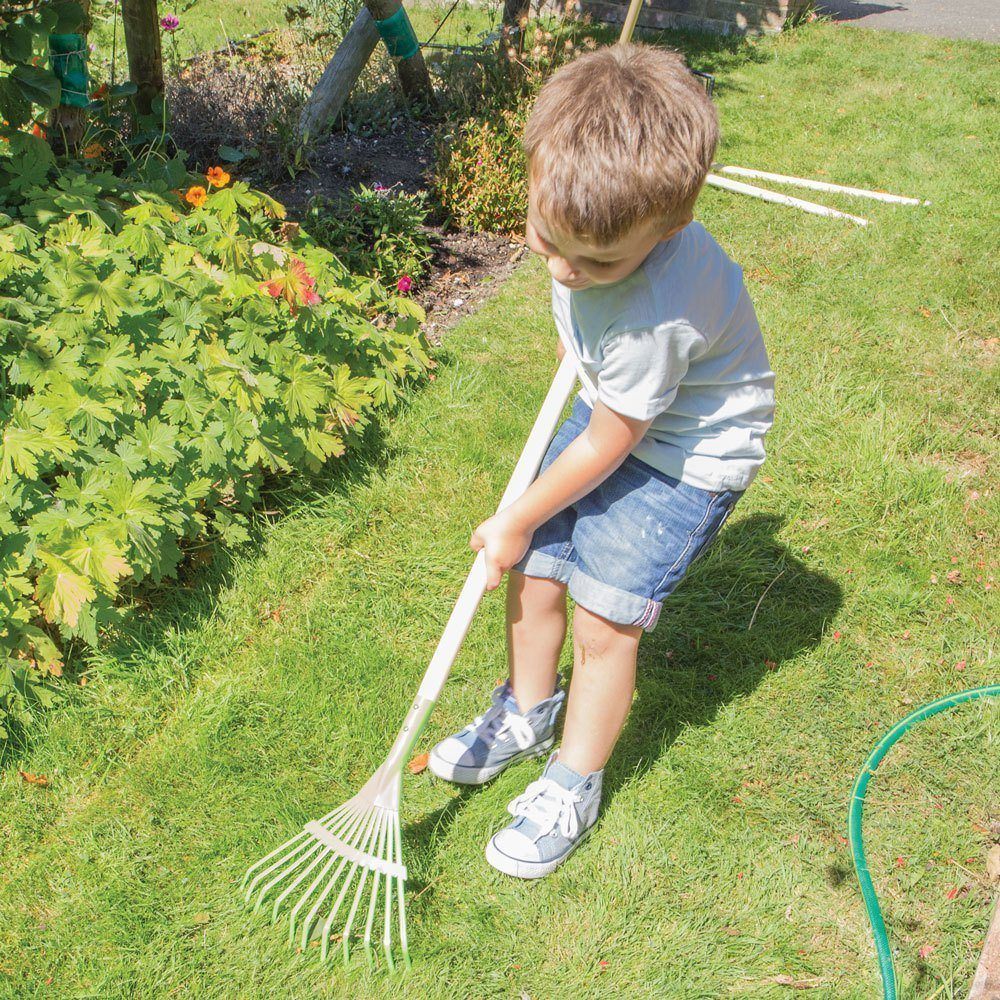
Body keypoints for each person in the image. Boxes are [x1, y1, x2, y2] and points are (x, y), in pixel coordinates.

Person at [428, 43, 775, 879]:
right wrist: (578, 335)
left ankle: (572, 780)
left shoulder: (655, 312)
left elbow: (611, 442)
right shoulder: (587, 243)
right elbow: (587, 346)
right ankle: (527, 710)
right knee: (539, 569)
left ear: (671, 226)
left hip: (683, 456)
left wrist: (513, 516)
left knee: (604, 618)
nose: (562, 269)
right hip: (617, 407)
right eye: (546, 240)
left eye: (596, 264)